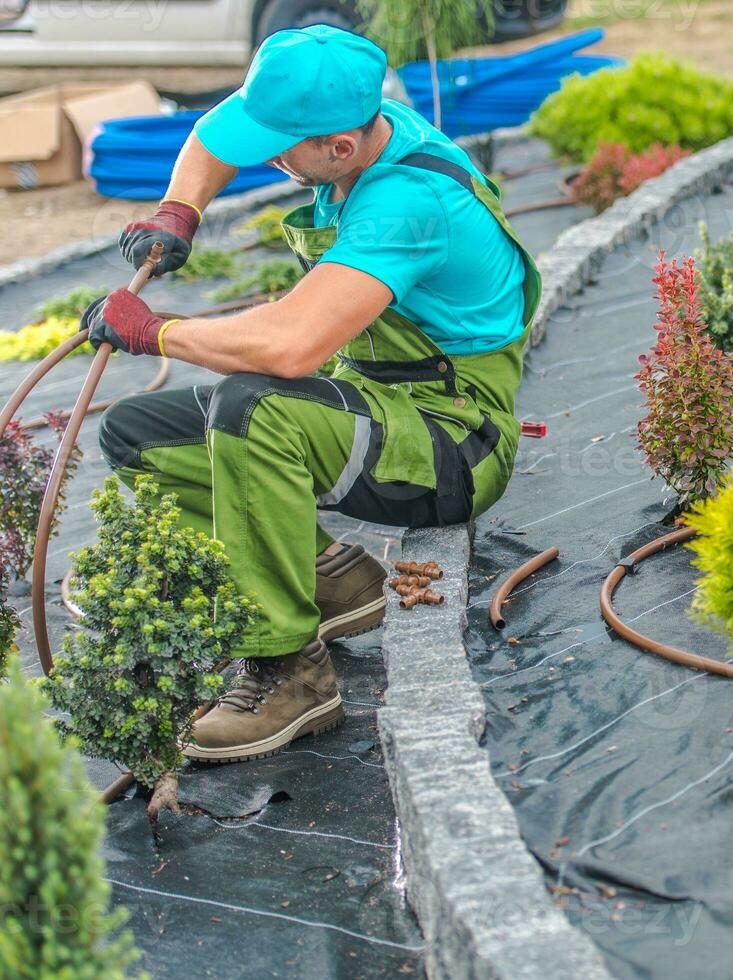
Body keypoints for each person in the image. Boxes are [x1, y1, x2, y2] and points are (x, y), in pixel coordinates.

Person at [86, 25, 540, 763]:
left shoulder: (407, 201)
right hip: (377, 402)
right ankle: (331, 580)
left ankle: (291, 671)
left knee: (251, 410)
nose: (266, 156)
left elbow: (289, 346)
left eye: (281, 144)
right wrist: (179, 212)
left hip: (453, 439)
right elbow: (212, 136)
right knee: (138, 434)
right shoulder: (358, 125)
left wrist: (155, 331)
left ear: (339, 148)